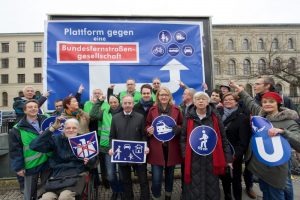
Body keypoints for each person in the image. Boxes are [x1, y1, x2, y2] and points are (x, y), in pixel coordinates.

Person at [229, 80, 300, 200]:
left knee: (279, 191)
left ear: (278, 104)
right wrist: (238, 88)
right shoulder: (261, 115)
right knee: (267, 192)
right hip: (262, 165)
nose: (267, 104)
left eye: (271, 102)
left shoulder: (288, 121)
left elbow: (298, 141)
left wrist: (283, 132)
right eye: (265, 102)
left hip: (279, 165)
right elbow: (249, 101)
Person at [180, 92, 233, 200]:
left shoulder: (215, 116)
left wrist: (228, 158)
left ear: (208, 102)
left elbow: (223, 138)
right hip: (194, 158)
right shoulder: (188, 117)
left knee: (211, 187)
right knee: (194, 187)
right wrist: (186, 154)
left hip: (212, 157)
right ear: (194, 102)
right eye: (198, 99)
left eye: (203, 99)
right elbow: (183, 138)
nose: (200, 101)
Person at [30, 118, 98, 200]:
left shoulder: (83, 140)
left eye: (74, 128)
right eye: (68, 128)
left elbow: (94, 161)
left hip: (76, 175)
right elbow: (34, 145)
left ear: (78, 129)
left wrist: (89, 161)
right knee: (46, 198)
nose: (71, 130)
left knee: (65, 197)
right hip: (57, 176)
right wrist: (52, 128)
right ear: (63, 129)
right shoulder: (56, 140)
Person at [109, 95, 150, 200]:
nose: (127, 105)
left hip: (138, 154)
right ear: (122, 104)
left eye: (130, 103)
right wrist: (111, 148)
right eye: (125, 103)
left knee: (143, 180)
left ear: (133, 104)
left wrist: (146, 146)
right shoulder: (115, 118)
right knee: (126, 181)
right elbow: (112, 136)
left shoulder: (140, 117)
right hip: (122, 155)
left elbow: (143, 135)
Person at [146, 87, 183, 200]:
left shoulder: (177, 109)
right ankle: (156, 196)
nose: (163, 97)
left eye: (166, 95)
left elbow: (182, 124)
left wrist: (178, 128)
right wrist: (148, 130)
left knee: (170, 175)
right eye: (161, 95)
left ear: (169, 96)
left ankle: (168, 195)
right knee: (156, 178)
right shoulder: (152, 110)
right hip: (157, 148)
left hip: (171, 148)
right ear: (158, 97)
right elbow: (147, 124)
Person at [9, 100, 50, 200]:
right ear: (25, 110)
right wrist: (18, 167)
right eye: (30, 107)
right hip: (31, 164)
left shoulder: (47, 121)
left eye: (35, 107)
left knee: (48, 190)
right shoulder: (17, 129)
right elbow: (15, 150)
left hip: (47, 161)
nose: (33, 109)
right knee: (30, 192)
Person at [218, 92, 252, 200]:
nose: (228, 101)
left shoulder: (242, 117)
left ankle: (237, 197)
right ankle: (227, 196)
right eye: (226, 99)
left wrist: (235, 157)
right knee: (224, 177)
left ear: (236, 102)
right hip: (220, 152)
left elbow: (243, 141)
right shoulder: (218, 114)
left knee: (236, 179)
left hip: (234, 154)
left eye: (231, 99)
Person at [90, 94, 123, 200]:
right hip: (107, 147)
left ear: (119, 102)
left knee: (123, 175)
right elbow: (93, 114)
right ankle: (116, 190)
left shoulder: (124, 112)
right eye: (111, 102)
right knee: (110, 175)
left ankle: (122, 192)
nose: (113, 104)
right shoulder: (104, 112)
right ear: (108, 103)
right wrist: (99, 101)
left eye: (115, 102)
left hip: (121, 147)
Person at [83, 88, 110, 189]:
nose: (97, 94)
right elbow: (89, 117)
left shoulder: (106, 104)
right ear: (92, 94)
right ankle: (95, 182)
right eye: (95, 93)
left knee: (103, 160)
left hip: (101, 135)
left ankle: (106, 181)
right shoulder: (87, 104)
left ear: (102, 94)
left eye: (99, 93)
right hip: (89, 135)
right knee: (92, 159)